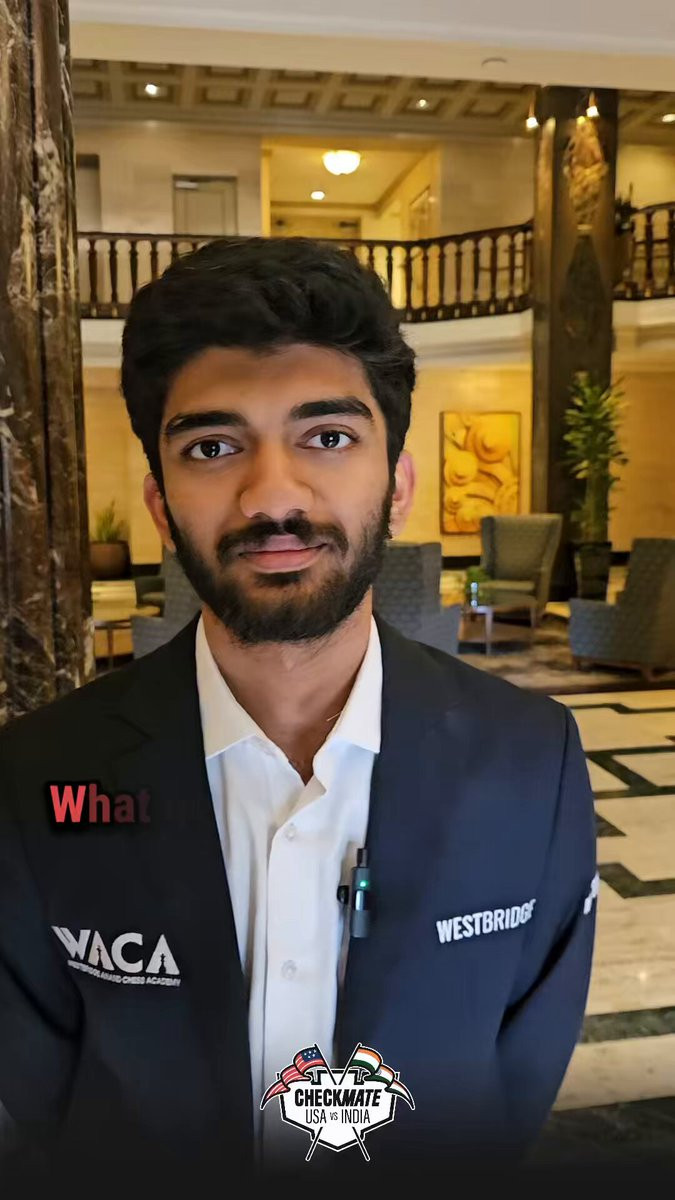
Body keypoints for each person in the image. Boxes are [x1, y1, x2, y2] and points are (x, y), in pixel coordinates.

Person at [0, 237, 596, 1192]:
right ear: (160, 503)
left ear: (396, 487)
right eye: (212, 447)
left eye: (327, 437)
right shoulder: (36, 777)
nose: (273, 494)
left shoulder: (532, 761)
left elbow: (514, 1074)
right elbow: (42, 1090)